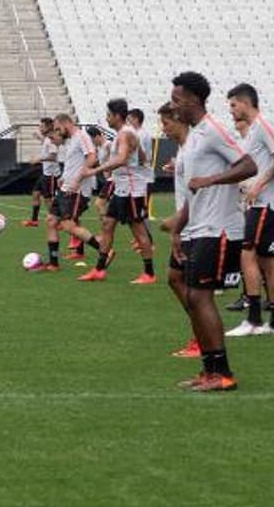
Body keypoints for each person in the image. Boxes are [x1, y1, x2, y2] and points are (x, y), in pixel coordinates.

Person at [166, 71, 258, 392]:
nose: (173, 105)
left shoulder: (214, 130)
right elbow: (194, 193)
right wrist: (179, 229)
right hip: (198, 228)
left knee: (201, 296)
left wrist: (211, 181)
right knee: (189, 293)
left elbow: (249, 165)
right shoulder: (193, 137)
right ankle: (209, 369)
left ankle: (223, 373)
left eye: (177, 99)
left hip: (220, 229)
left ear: (192, 99)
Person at [224, 83, 274, 337]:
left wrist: (258, 185)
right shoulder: (252, 132)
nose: (231, 111)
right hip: (263, 202)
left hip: (265, 202)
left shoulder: (264, 125)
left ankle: (252, 319)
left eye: (233, 105)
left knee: (247, 254)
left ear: (245, 103)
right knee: (267, 260)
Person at [77, 99, 156, 283]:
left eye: (109, 115)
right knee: (107, 225)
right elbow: (142, 155)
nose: (107, 118)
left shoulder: (125, 134)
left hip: (131, 191)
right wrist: (140, 162)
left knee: (138, 231)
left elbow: (121, 159)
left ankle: (149, 273)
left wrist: (95, 170)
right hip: (122, 189)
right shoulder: (125, 133)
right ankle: (99, 269)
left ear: (117, 116)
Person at [157, 102, 200, 358]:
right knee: (175, 279)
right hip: (185, 229)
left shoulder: (194, 148)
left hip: (195, 229)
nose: (163, 129)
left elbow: (198, 192)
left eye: (166, 123)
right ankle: (200, 333)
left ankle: (201, 339)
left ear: (179, 120)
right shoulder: (184, 150)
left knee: (195, 290)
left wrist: (175, 222)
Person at [37, 114, 106, 271]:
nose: (58, 132)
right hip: (65, 188)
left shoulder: (82, 136)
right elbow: (74, 163)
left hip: (77, 190)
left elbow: (92, 157)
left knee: (68, 225)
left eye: (57, 128)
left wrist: (77, 180)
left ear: (65, 123)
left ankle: (104, 250)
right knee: (51, 221)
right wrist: (63, 177)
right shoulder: (72, 140)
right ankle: (53, 264)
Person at [23, 118, 59, 227]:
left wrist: (39, 159)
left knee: (48, 198)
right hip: (45, 173)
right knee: (35, 194)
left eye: (42, 126)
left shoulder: (52, 139)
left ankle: (55, 221)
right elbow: (46, 143)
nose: (40, 128)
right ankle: (34, 220)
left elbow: (53, 156)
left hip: (51, 174)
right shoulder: (47, 139)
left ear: (48, 127)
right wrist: (40, 138)